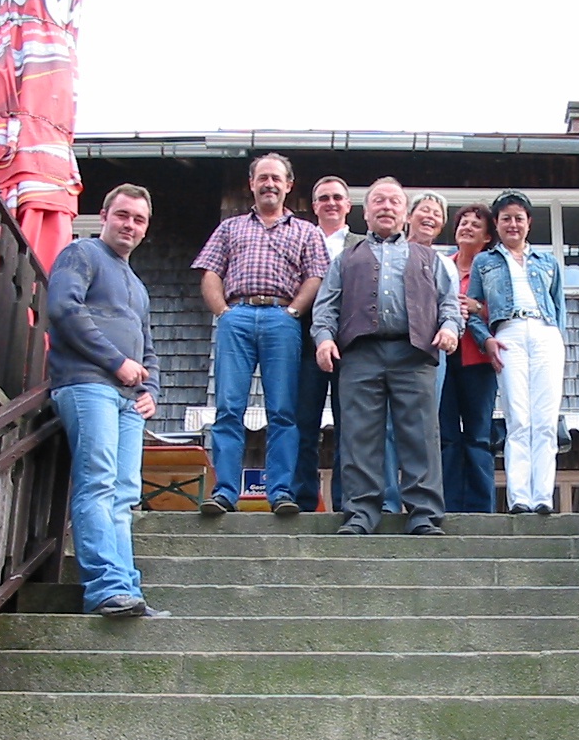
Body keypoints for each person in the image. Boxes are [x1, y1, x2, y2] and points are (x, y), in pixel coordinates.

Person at [311, 177, 461, 535]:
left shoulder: (431, 259)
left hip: (415, 352)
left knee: (421, 434)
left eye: (394, 201)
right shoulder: (346, 259)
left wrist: (450, 328)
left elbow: (449, 302)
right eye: (379, 200)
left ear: (405, 213)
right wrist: (324, 340)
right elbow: (326, 305)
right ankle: (361, 513)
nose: (386, 207)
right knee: (358, 435)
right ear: (366, 212)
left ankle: (424, 514)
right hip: (360, 354)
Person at [48, 184, 167, 618]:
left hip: (129, 401)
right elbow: (64, 309)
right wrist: (116, 362)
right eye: (123, 215)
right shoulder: (81, 254)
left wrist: (152, 391)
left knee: (124, 494)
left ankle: (127, 589)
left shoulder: (137, 285)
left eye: (139, 219)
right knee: (97, 482)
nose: (129, 225)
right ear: (103, 216)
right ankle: (105, 588)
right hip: (87, 385)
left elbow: (148, 348)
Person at [192, 153, 330, 516]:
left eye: (276, 178)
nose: (269, 184)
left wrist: (293, 312)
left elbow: (316, 277)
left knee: (283, 411)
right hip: (236, 316)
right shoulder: (230, 228)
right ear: (251, 184)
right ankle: (225, 492)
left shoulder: (306, 231)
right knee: (229, 408)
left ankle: (280, 492)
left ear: (289, 185)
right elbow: (210, 272)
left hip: (281, 318)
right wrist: (223, 312)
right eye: (263, 178)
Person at [469, 189, 566, 515]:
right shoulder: (485, 261)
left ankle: (543, 496)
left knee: (545, 419)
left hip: (544, 333)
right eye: (506, 219)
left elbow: (559, 307)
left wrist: (559, 341)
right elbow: (472, 309)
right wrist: (486, 339)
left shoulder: (547, 261)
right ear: (497, 224)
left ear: (529, 223)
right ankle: (520, 497)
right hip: (508, 333)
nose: (513, 224)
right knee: (519, 417)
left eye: (519, 218)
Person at [378, 190, 458, 513]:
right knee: (384, 424)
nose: (430, 217)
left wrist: (449, 328)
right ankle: (387, 500)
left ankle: (420, 503)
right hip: (388, 348)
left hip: (427, 353)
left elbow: (451, 308)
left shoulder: (443, 263)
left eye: (437, 214)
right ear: (409, 216)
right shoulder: (387, 254)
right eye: (424, 210)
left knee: (421, 426)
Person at [292, 175, 363, 512]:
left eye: (337, 197)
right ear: (314, 206)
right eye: (324, 198)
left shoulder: (363, 245)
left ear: (348, 205)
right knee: (303, 422)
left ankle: (346, 501)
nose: (331, 203)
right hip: (304, 343)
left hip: (351, 346)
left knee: (349, 425)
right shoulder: (300, 240)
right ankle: (303, 499)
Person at [441, 203, 500, 512]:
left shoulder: (494, 270)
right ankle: (448, 505)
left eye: (475, 225)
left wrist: (480, 309)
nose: (467, 228)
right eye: (463, 223)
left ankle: (480, 509)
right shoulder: (442, 265)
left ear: (488, 236)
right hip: (443, 358)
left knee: (478, 435)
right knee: (446, 435)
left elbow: (507, 310)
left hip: (479, 360)